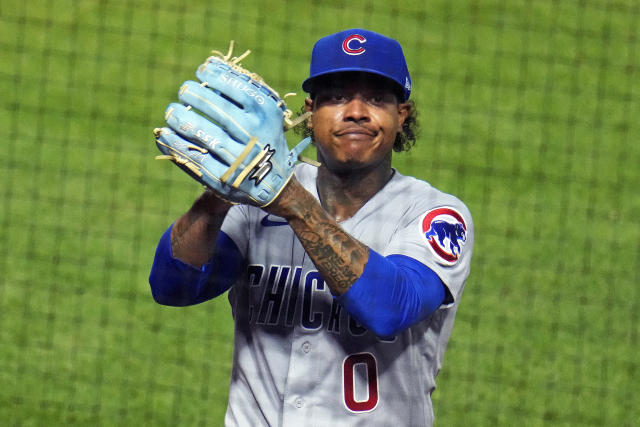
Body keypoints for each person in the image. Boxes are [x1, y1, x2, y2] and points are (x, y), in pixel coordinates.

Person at [149, 28, 474, 426]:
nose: (356, 111)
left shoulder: (434, 214)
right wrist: (218, 196)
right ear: (309, 111)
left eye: (375, 98)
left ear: (401, 115)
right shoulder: (256, 194)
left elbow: (390, 308)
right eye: (336, 97)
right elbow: (174, 287)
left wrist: (289, 200)